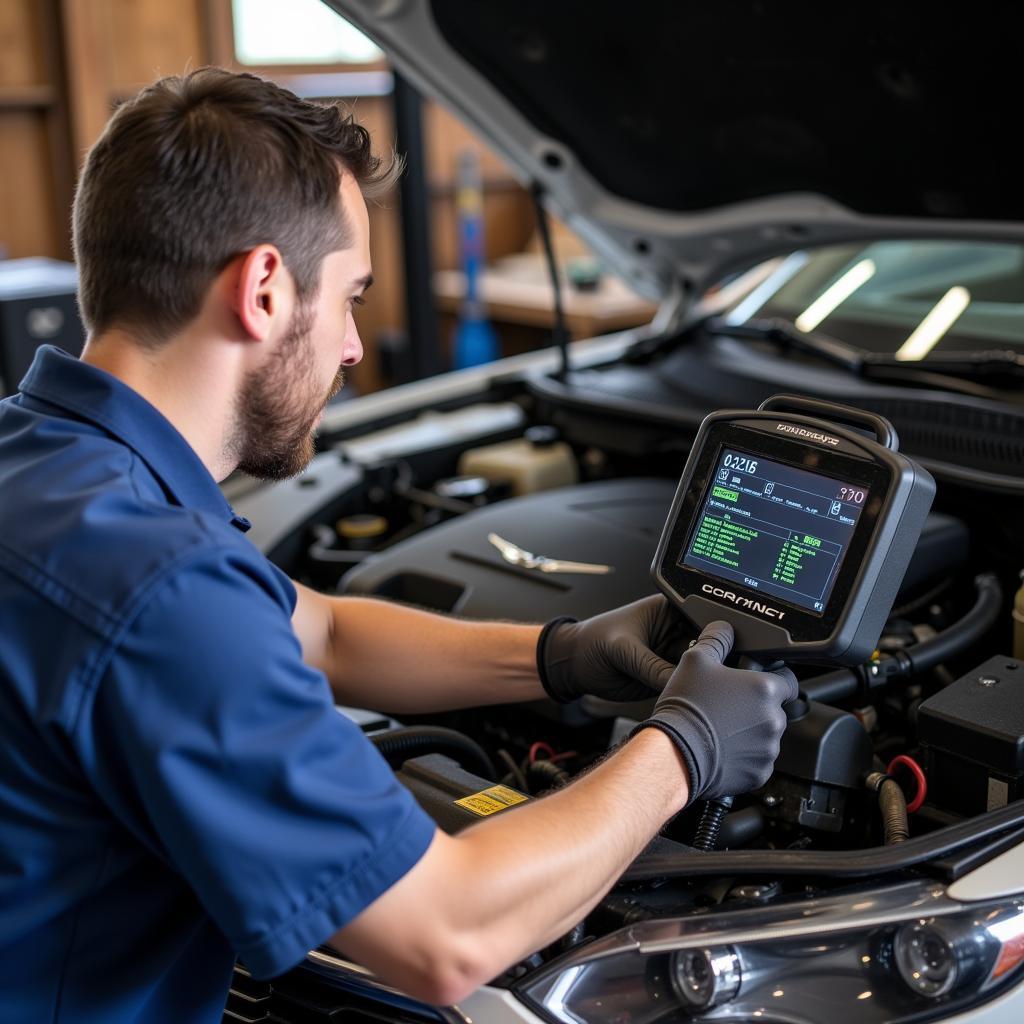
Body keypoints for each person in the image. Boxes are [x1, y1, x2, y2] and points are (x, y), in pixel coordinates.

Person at [0, 68, 797, 1022]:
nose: (352, 348)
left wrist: (564, 656)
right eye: (350, 298)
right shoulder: (157, 586)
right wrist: (686, 750)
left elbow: (323, 632)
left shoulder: (45, 463)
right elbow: (446, 936)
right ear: (261, 288)